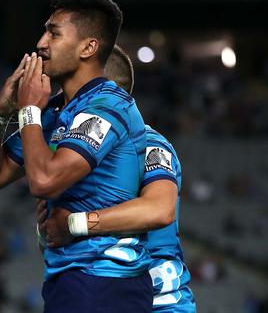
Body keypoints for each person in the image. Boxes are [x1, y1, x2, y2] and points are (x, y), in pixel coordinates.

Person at [0, 0, 151, 312]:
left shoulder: (107, 107)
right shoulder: (53, 114)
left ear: (88, 47)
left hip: (106, 283)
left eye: (53, 34)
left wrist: (28, 112)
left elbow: (44, 181)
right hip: (68, 280)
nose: (40, 44)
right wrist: (0, 111)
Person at [37, 45, 196, 312]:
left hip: (160, 301)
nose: (59, 101)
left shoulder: (151, 145)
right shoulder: (72, 152)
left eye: (69, 89)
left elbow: (160, 209)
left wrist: (73, 224)